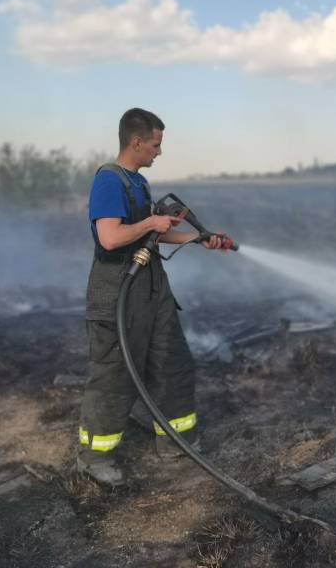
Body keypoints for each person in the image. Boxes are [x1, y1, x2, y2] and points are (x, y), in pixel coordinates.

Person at [77, 107, 225, 486]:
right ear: (136, 142)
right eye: (156, 145)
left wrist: (198, 238)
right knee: (114, 374)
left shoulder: (138, 183)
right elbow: (110, 237)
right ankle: (95, 458)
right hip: (118, 291)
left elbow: (152, 234)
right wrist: (149, 222)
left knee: (171, 361)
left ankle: (176, 442)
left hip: (152, 288)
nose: (159, 151)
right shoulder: (109, 181)